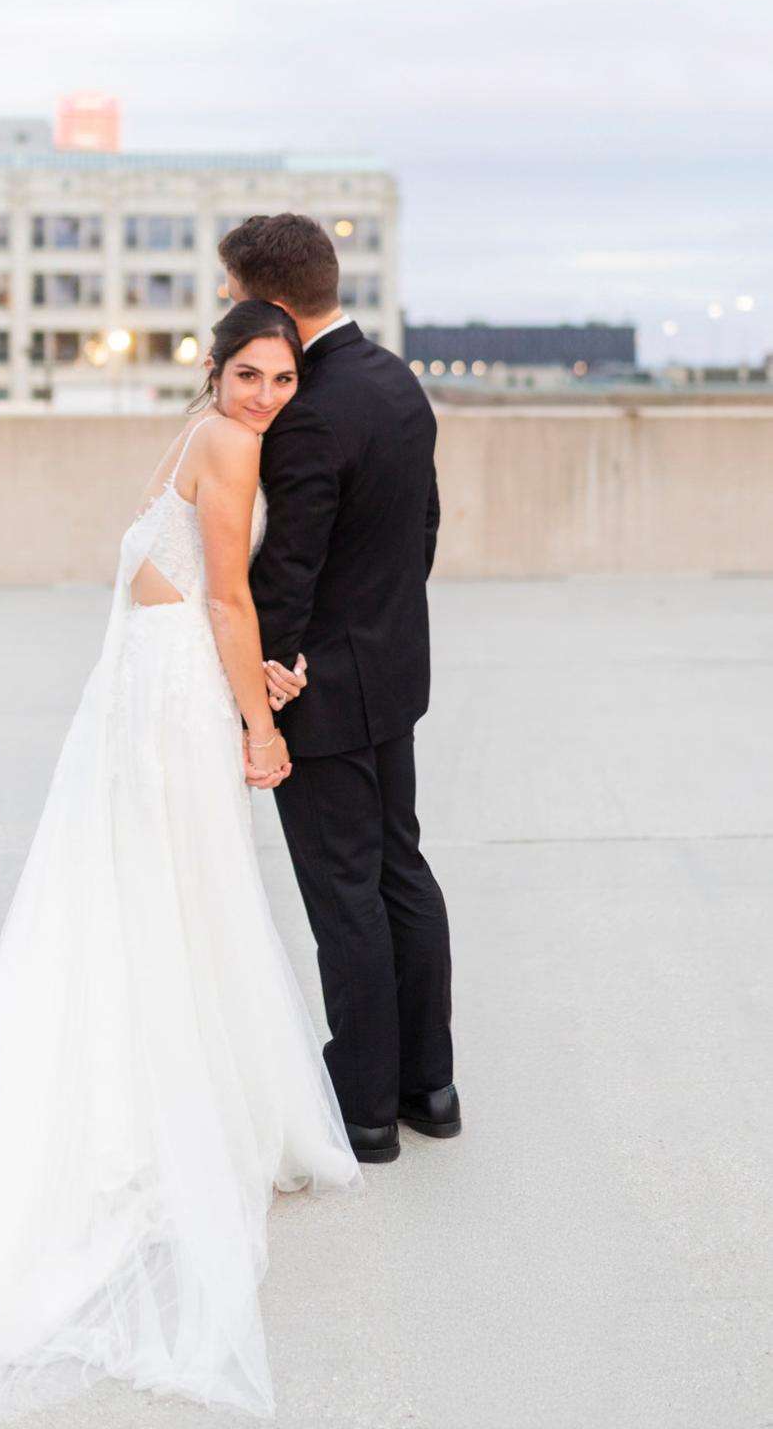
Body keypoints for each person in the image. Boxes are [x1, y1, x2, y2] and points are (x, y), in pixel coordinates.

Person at [0, 299, 361, 1427]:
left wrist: (248, 676)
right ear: (217, 365)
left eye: (283, 380)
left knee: (152, 904)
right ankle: (176, 1116)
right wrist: (262, 722)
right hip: (179, 699)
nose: (265, 397)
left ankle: (167, 1089)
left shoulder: (193, 432)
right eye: (249, 373)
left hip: (147, 685)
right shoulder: (232, 444)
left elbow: (180, 586)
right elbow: (230, 595)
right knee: (190, 903)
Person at [219, 214, 459, 1165]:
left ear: (268, 301)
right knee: (400, 871)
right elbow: (421, 529)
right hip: (392, 669)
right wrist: (378, 627)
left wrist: (263, 681)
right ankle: (427, 1088)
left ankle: (362, 1107)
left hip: (317, 690)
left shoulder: (310, 407)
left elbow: (286, 572)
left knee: (343, 895)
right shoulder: (393, 377)